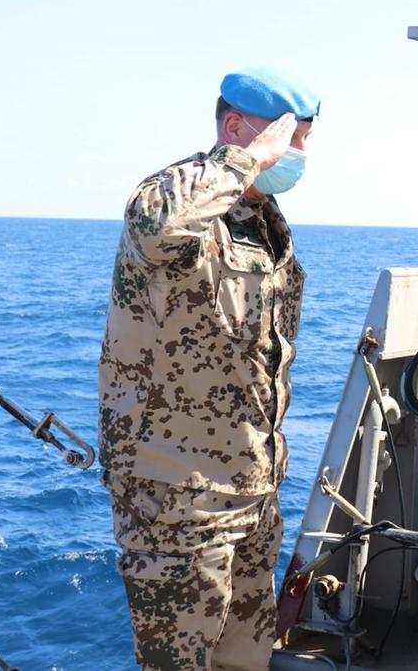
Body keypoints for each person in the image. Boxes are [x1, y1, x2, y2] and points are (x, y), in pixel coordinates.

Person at [98, 67, 318, 670]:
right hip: (178, 497)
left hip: (251, 487)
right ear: (236, 127)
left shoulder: (263, 221)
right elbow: (158, 227)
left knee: (245, 659)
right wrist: (243, 160)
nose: (298, 153)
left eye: (302, 140)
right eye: (289, 136)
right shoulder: (172, 197)